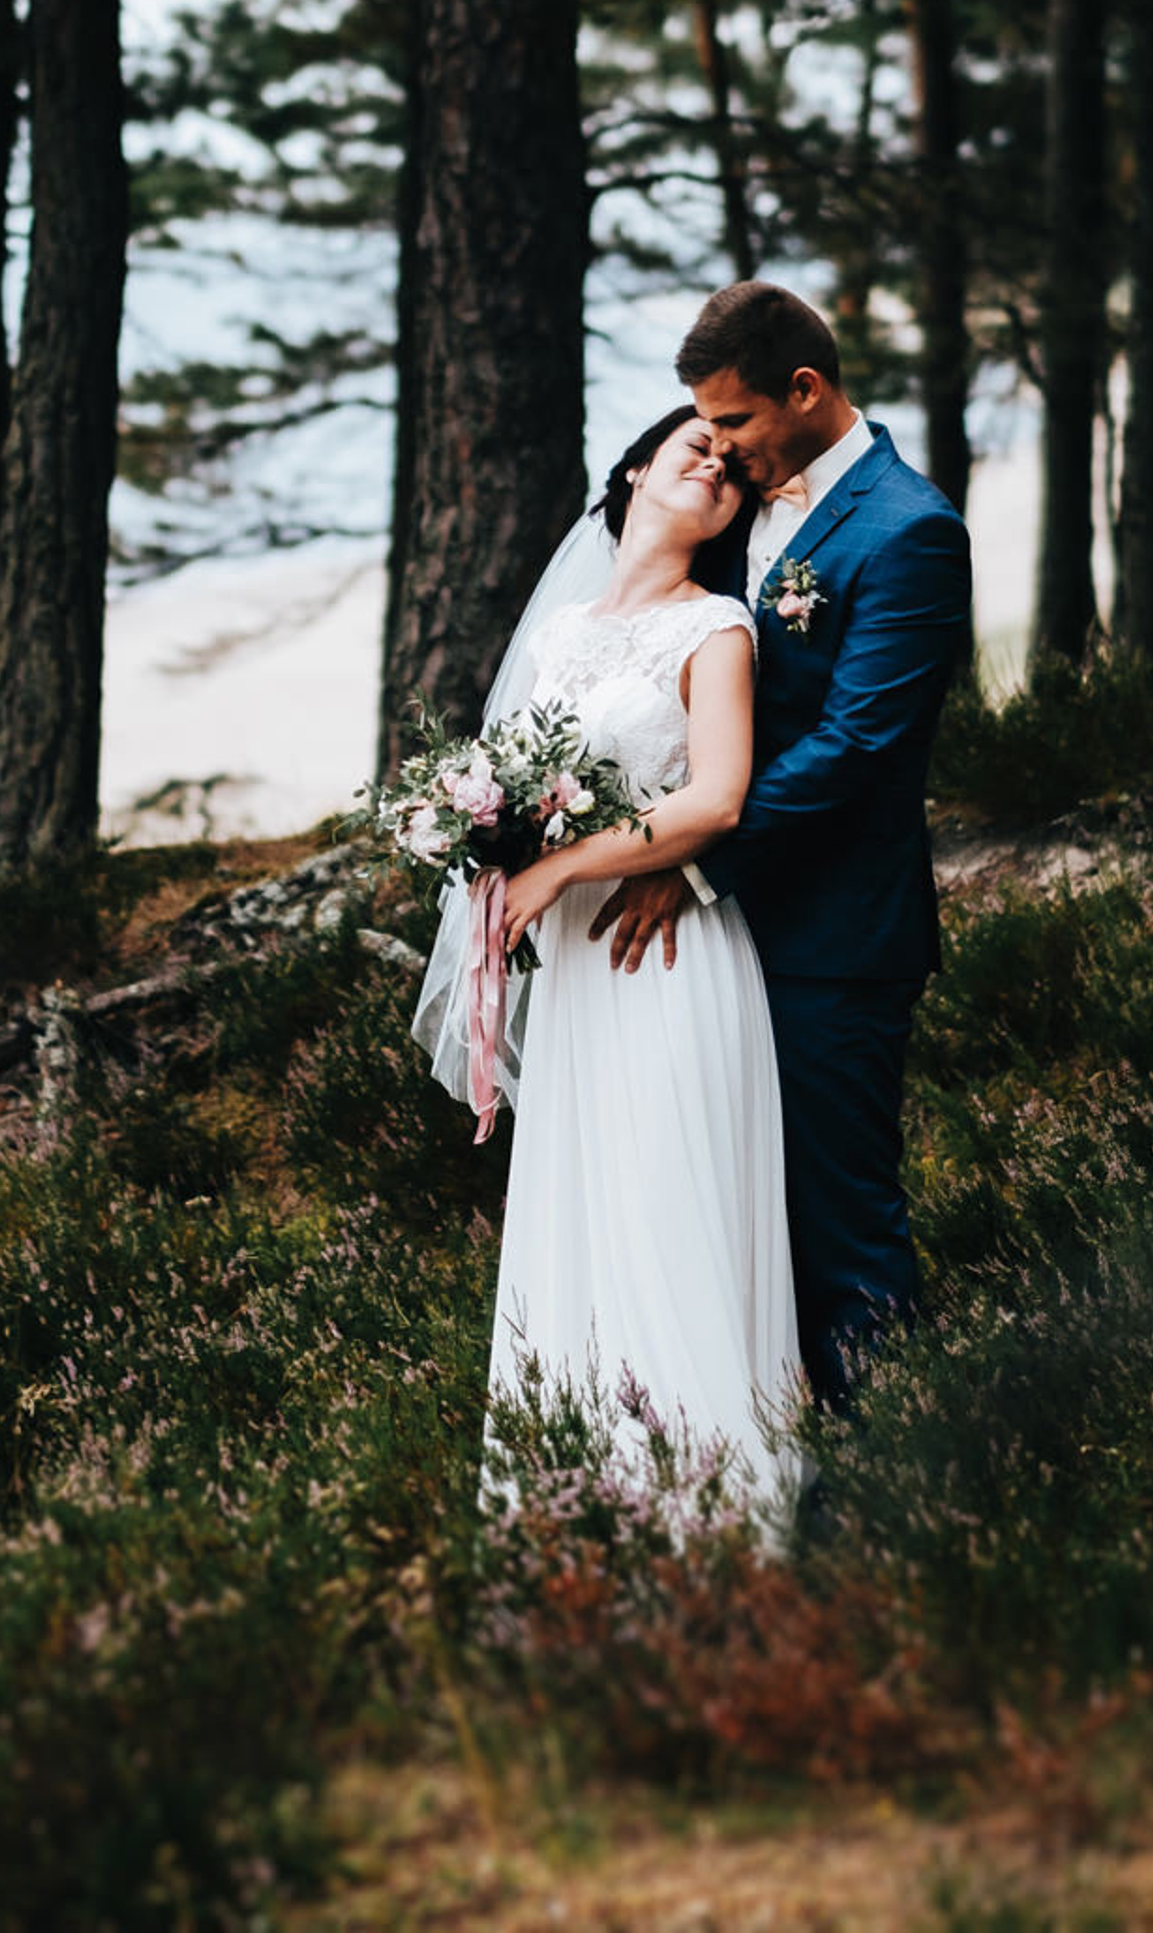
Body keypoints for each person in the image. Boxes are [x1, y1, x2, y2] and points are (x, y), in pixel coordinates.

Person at [588, 282, 973, 1412]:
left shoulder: (909, 529)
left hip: (831, 940)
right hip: (712, 951)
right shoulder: (741, 509)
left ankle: (889, 1472)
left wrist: (692, 853)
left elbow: (858, 746)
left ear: (805, 390)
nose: (722, 446)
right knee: (728, 1214)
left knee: (840, 1223)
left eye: (738, 421)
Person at [414, 406, 803, 1510]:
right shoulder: (557, 634)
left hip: (663, 953)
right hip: (577, 970)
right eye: (698, 450)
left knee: (666, 1200)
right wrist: (488, 848)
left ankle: (717, 1505)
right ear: (635, 469)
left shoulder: (716, 627)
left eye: (734, 469)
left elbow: (716, 796)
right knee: (582, 1206)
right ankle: (582, 1493)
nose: (718, 469)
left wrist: (559, 870)